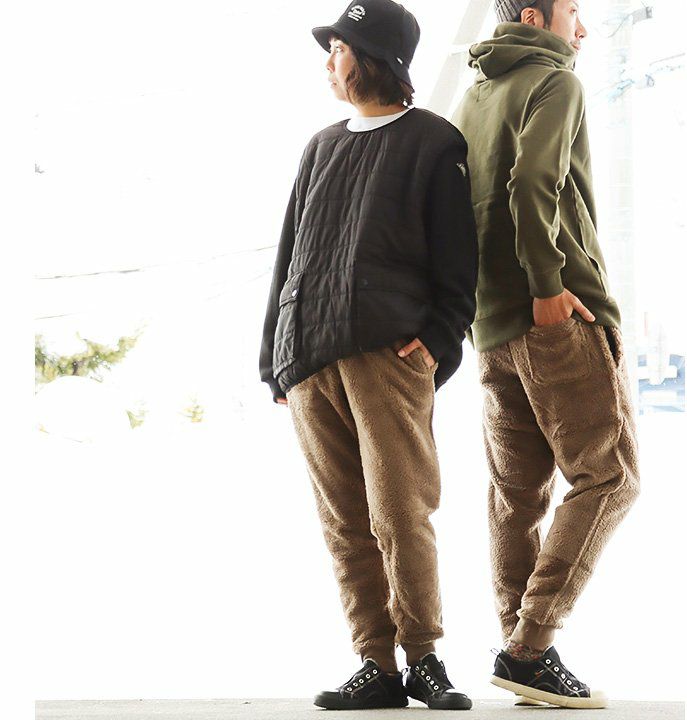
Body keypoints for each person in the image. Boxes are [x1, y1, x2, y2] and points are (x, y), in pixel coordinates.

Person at [259, 0, 477, 711]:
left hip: (387, 354)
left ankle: (424, 658)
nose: (330, 62)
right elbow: (289, 256)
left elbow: (459, 263)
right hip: (308, 357)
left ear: (376, 57)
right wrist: (273, 357)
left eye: (340, 49)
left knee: (400, 513)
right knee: (345, 522)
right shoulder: (319, 146)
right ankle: (376, 663)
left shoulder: (433, 141)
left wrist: (437, 342)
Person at [452, 0, 640, 709]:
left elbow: (455, 207)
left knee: (516, 496)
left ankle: (519, 651)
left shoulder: (474, 95)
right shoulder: (554, 79)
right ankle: (530, 646)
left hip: (490, 325)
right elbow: (532, 181)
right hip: (553, 315)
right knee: (611, 477)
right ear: (534, 16)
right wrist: (548, 286)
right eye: (573, 12)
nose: (581, 29)